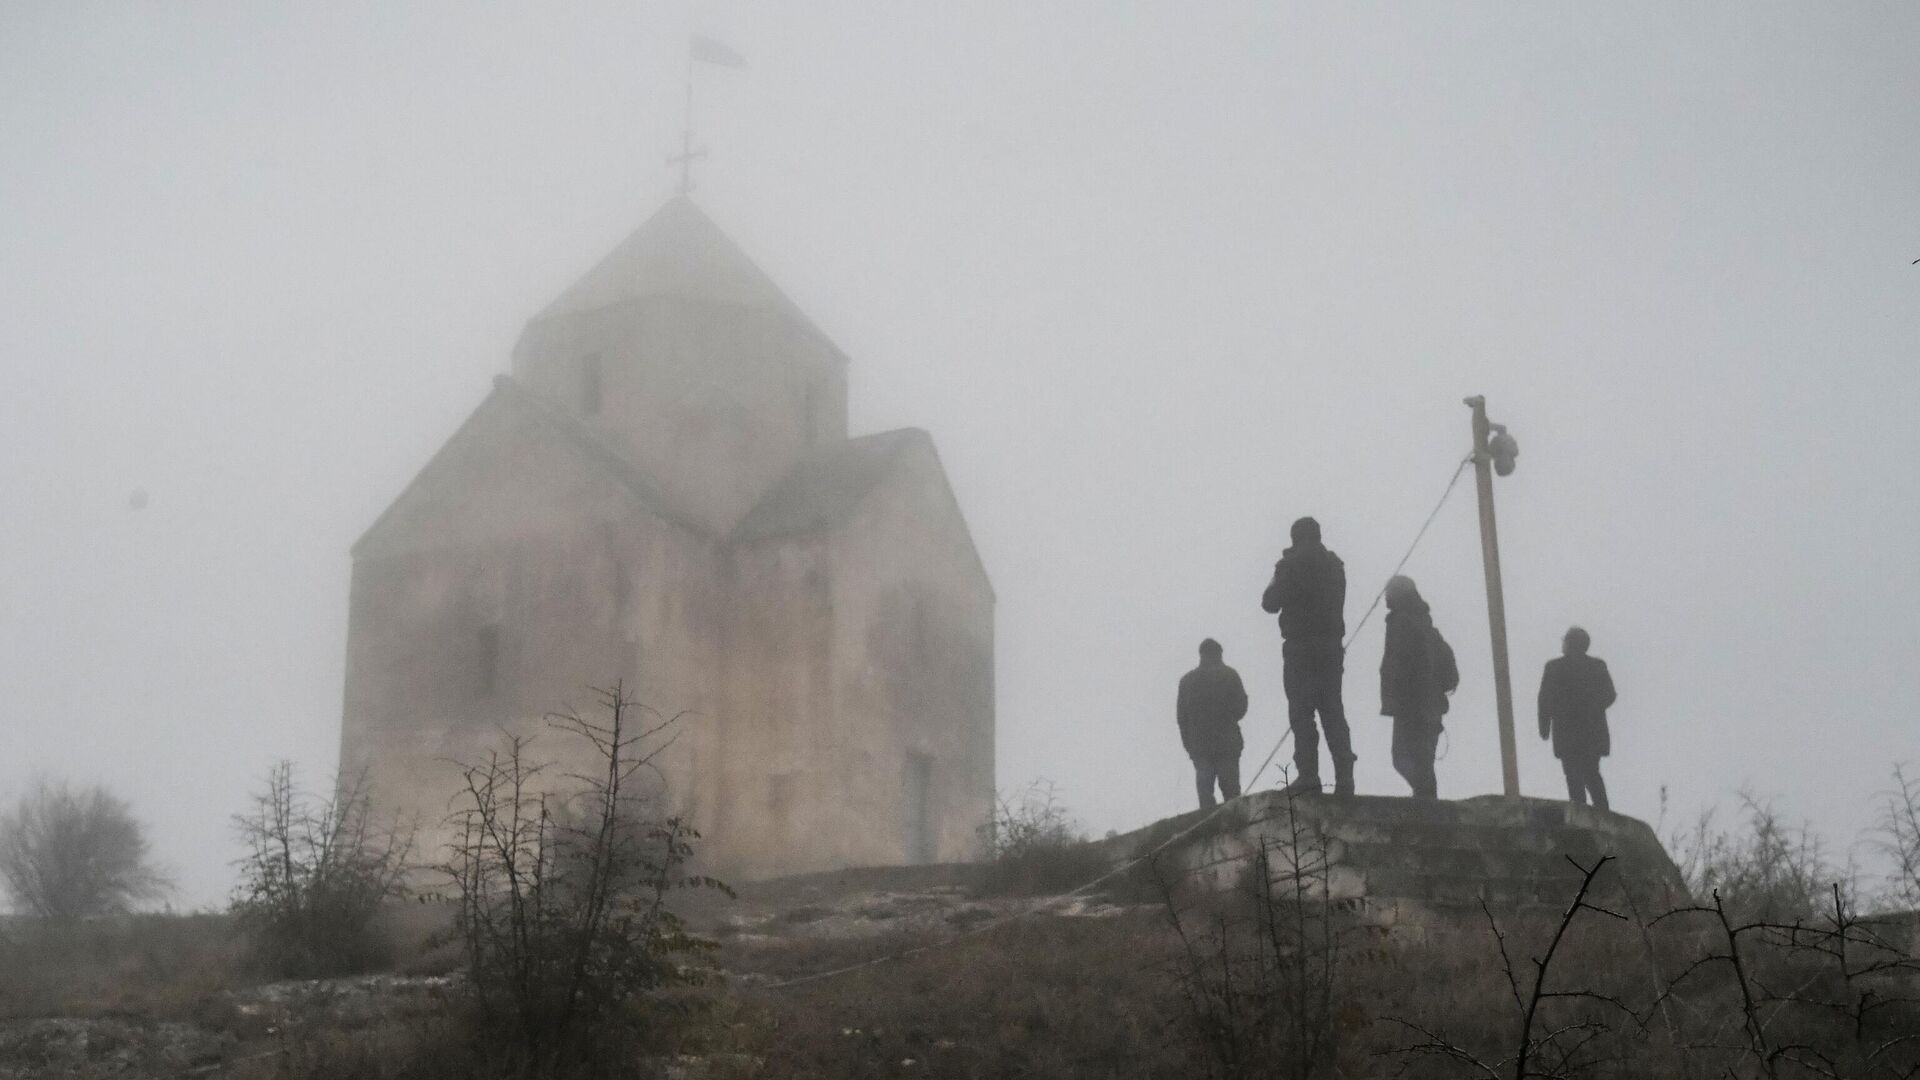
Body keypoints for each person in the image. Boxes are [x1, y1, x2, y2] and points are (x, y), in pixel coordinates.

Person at [1260, 517, 1355, 796]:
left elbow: (1269, 602)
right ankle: (1345, 777)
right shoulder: (1335, 566)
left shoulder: (1289, 566)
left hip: (1300, 648)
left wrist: (1282, 569)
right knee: (1333, 712)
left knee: (1302, 712)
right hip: (1331, 647)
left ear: (1294, 538)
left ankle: (1309, 776)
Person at [1378, 576, 1457, 799]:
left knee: (1405, 757)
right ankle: (1425, 799)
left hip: (1411, 706)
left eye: (1389, 591)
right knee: (1421, 760)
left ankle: (1426, 802)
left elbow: (1399, 664)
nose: (1385, 596)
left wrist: (1396, 698)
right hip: (1430, 707)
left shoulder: (1401, 623)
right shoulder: (1426, 626)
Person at [1537, 627, 1617, 811]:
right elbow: (1610, 694)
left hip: (1568, 732)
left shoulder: (1554, 667)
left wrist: (1544, 726)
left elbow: (1545, 699)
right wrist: (1592, 708)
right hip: (1592, 732)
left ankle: (1581, 812)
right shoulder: (1597, 666)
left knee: (1574, 774)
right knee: (1592, 773)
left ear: (1569, 643)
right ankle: (1602, 812)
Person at [1177, 638, 1250, 810]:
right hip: (1227, 744)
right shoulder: (1230, 675)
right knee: (1232, 796)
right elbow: (1242, 706)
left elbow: (1181, 718)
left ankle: (1207, 827)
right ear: (1219, 654)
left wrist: (1189, 745)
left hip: (1200, 748)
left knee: (1205, 796)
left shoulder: (1187, 681)